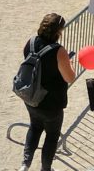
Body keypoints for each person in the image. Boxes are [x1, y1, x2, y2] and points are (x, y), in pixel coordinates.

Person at [19, 13, 75, 171]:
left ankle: (25, 164)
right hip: (51, 103)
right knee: (51, 136)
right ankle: (46, 168)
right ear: (59, 31)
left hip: (31, 97)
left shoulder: (30, 42)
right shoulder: (59, 51)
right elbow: (69, 77)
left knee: (34, 127)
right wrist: (70, 65)